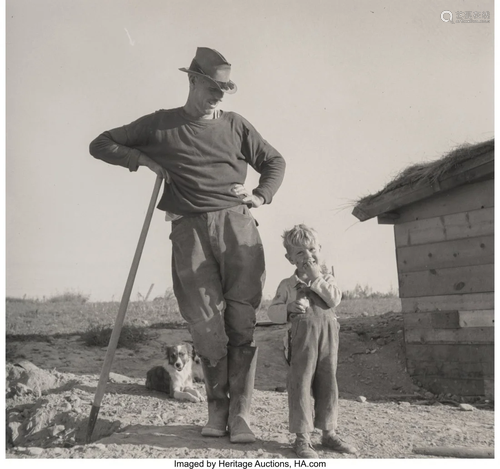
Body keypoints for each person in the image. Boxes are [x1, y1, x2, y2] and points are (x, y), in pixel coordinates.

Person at [89, 47, 286, 443]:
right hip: (188, 231)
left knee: (241, 322)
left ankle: (242, 415)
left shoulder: (235, 125)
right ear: (192, 80)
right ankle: (217, 412)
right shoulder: (161, 125)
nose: (218, 95)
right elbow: (102, 143)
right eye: (212, 87)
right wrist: (146, 161)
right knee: (205, 324)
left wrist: (260, 196)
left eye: (224, 89)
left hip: (237, 225)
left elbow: (274, 162)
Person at [267, 225, 357, 458]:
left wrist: (317, 277)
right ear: (290, 258)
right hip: (301, 344)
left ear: (320, 249)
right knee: (301, 386)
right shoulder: (288, 285)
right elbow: (272, 312)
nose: (308, 256)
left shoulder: (327, 279)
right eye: (300, 253)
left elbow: (334, 300)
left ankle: (329, 433)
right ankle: (302, 438)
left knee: (328, 385)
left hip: (328, 341)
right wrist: (287, 309)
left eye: (311, 249)